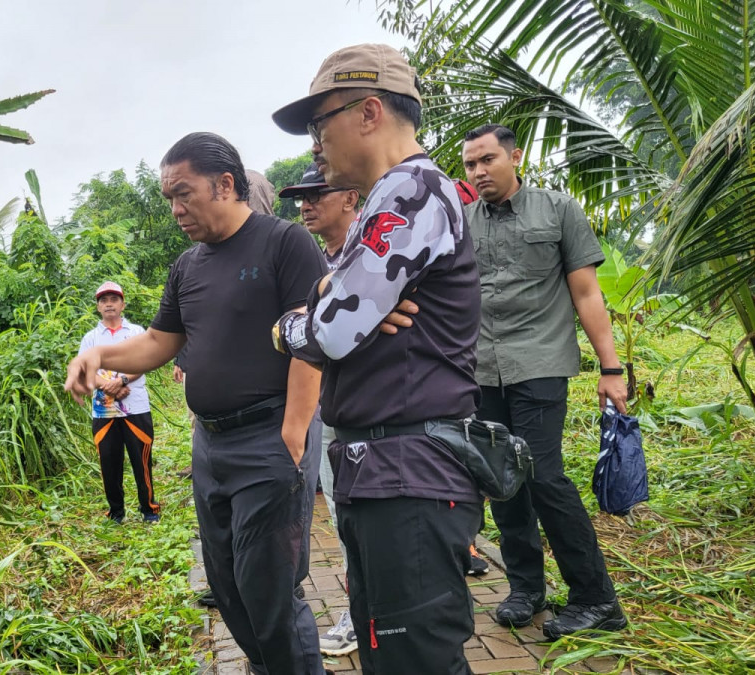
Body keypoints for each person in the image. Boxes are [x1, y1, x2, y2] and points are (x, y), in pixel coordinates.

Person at [66, 132, 327, 674]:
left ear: (225, 183)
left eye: (183, 194)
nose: (175, 209)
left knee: (270, 588)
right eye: (169, 198)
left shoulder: (284, 243)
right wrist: (99, 356)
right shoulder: (188, 266)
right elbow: (160, 343)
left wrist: (295, 433)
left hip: (270, 437)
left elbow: (308, 339)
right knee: (228, 585)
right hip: (211, 444)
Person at [271, 44, 483, 674]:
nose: (315, 143)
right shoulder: (387, 200)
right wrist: (319, 309)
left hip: (408, 473)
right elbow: (332, 311)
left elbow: (333, 333)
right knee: (395, 657)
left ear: (368, 113)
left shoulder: (410, 191)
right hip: (383, 470)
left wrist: (298, 323)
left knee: (414, 660)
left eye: (319, 123)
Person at [461, 123, 628, 639]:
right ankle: (527, 588)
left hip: (540, 363)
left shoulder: (557, 210)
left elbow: (586, 294)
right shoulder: (462, 221)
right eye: (470, 164)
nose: (478, 171)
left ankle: (596, 599)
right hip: (481, 369)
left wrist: (611, 367)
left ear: (515, 158)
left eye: (487, 160)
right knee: (502, 480)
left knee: (542, 476)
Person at [278, 163, 361, 656]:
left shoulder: (368, 259)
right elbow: (299, 334)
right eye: (300, 197)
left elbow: (309, 333)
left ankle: (375, 611)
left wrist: (297, 326)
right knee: (344, 516)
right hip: (332, 412)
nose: (305, 204)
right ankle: (361, 607)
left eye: (317, 194)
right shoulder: (318, 263)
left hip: (377, 415)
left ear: (350, 197)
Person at [76, 281, 160, 524]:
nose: (109, 304)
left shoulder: (136, 333)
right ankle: (116, 513)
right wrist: (109, 386)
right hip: (104, 412)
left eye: (113, 299)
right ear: (98, 307)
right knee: (109, 464)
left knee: (141, 461)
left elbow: (145, 360)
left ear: (123, 304)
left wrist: (122, 379)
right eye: (103, 300)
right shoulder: (91, 338)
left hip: (136, 408)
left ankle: (149, 510)